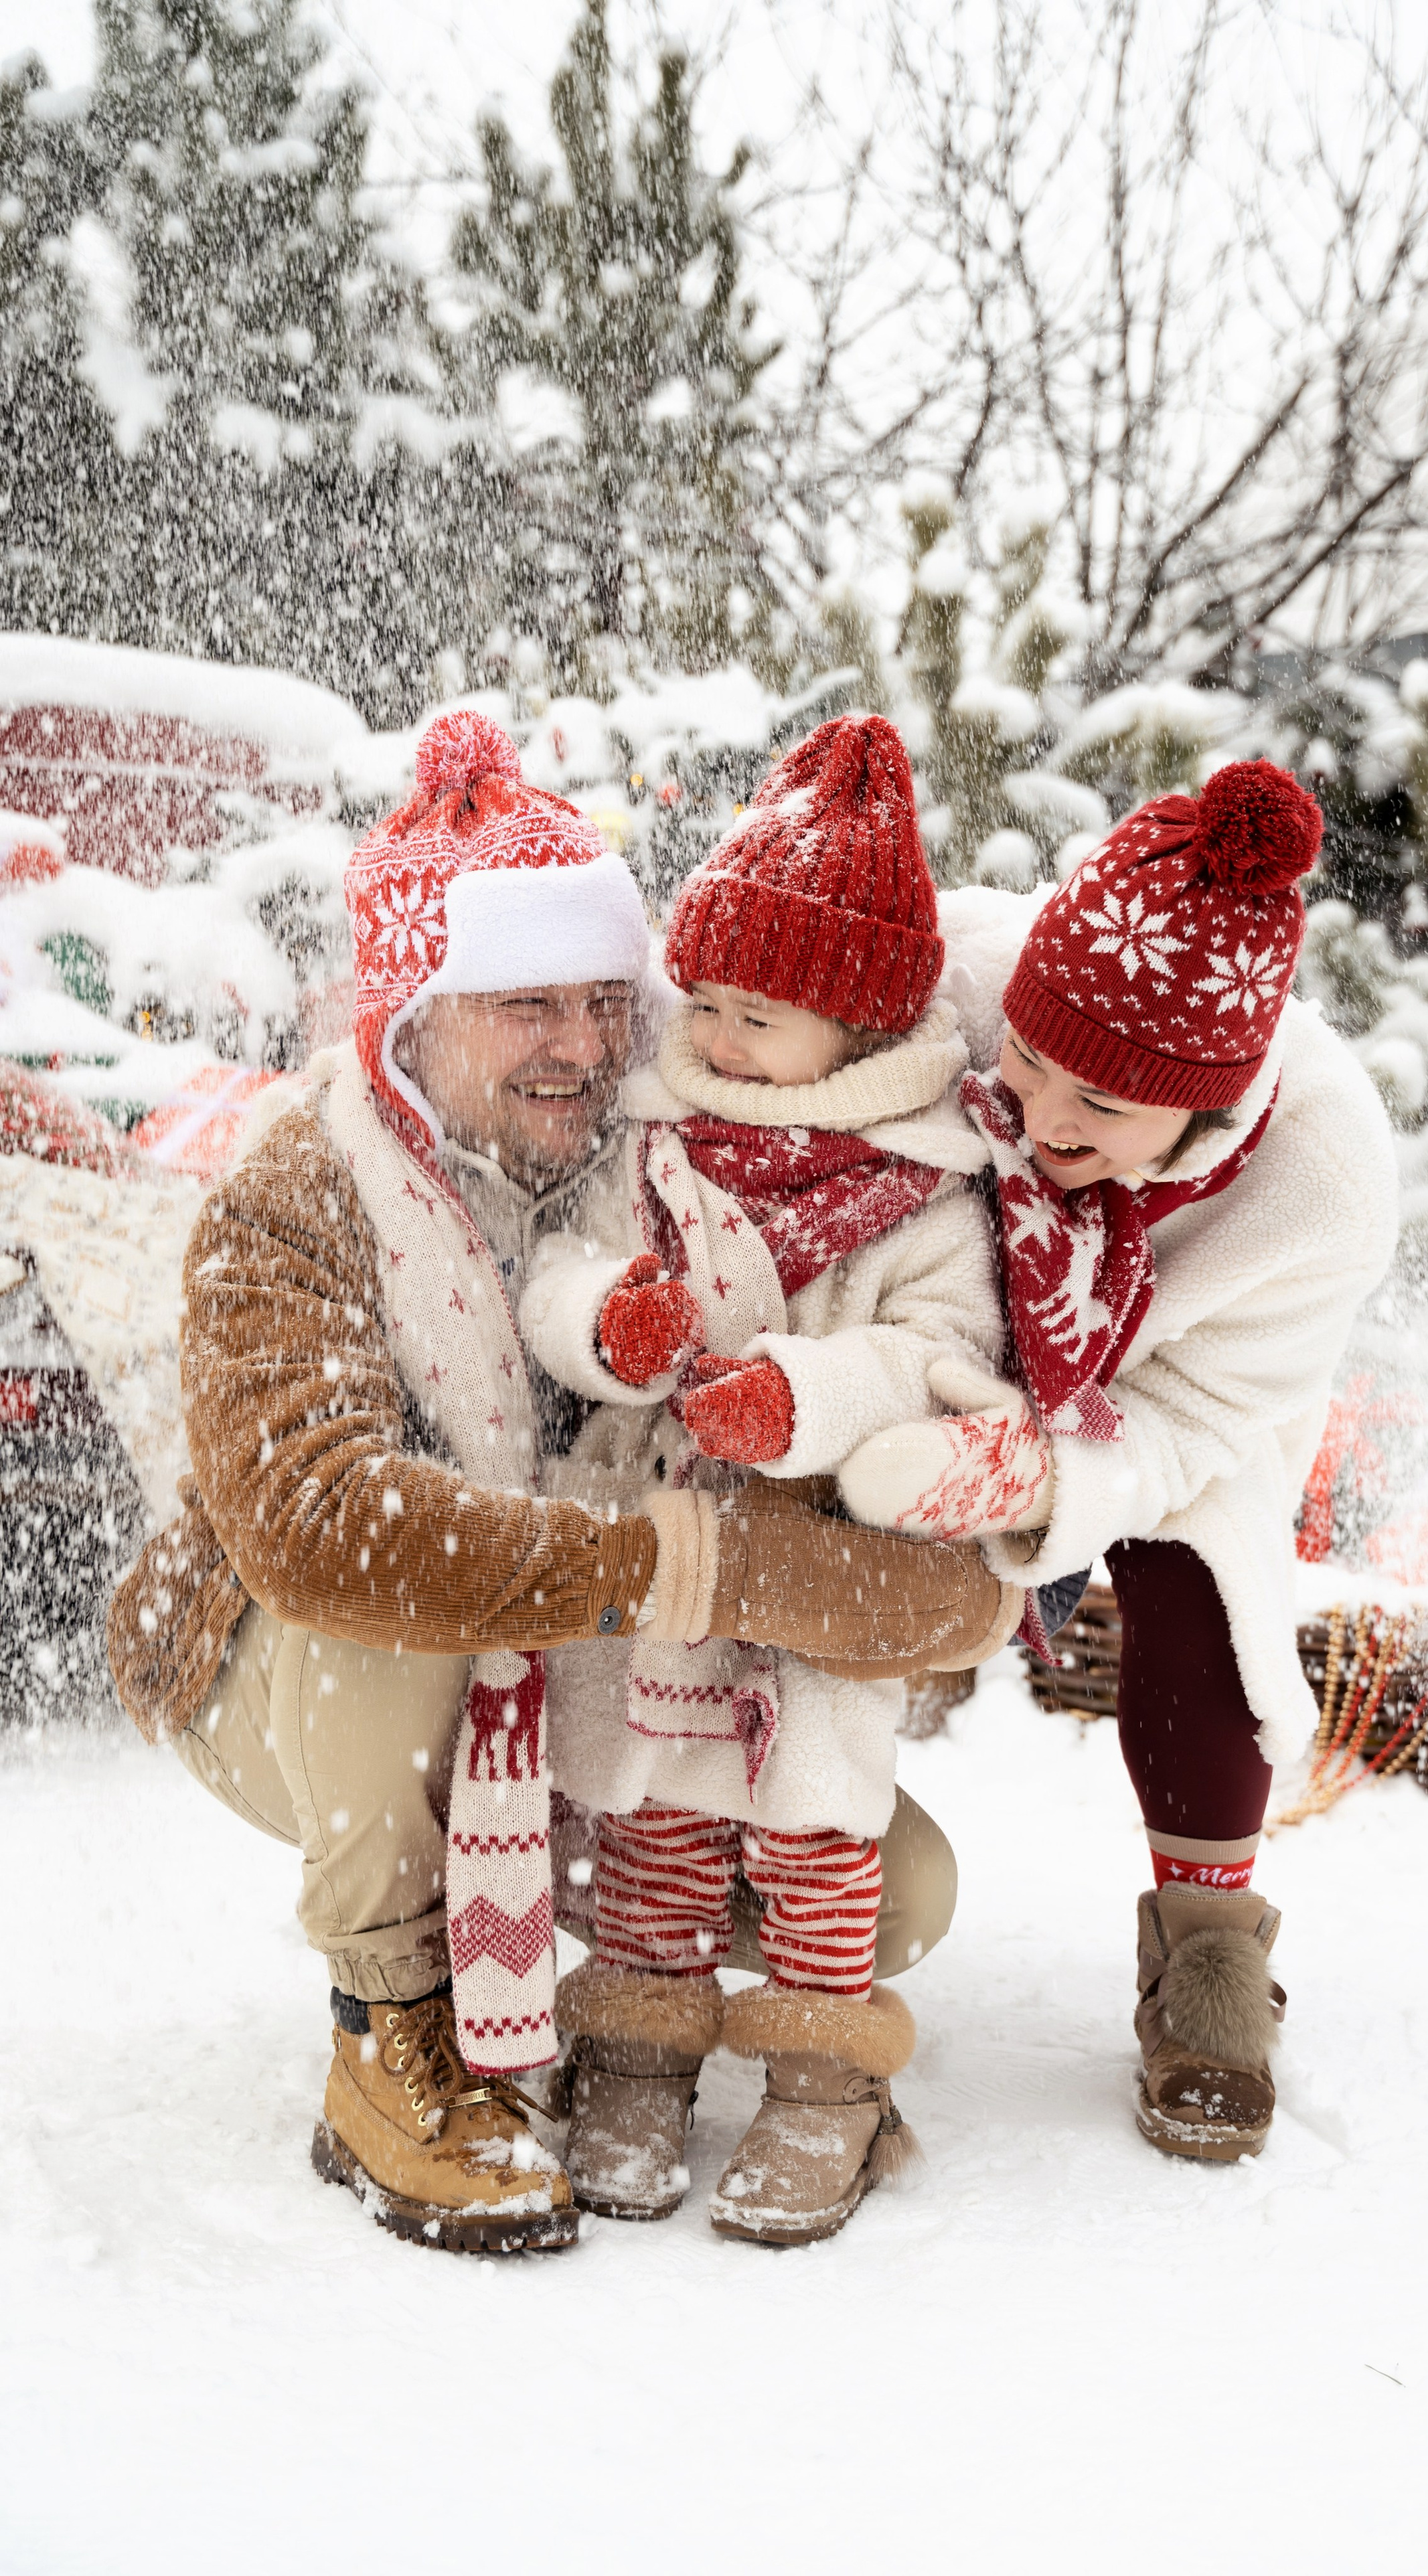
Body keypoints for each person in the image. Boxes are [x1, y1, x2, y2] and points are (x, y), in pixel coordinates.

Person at [105, 710, 1018, 2256]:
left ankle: (598, 1952)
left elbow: (953, 1596)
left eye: (606, 1000)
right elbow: (314, 1527)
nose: (584, 1046)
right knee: (380, 1592)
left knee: (899, 1891)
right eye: (527, 1001)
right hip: (287, 1685)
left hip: (594, 1689)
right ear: (411, 1015)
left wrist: (745, 1560)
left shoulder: (671, 1177)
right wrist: (652, 1557)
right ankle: (387, 2022)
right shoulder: (304, 1187)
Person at [840, 760, 1399, 2162]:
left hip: (1166, 1409)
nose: (1040, 1118)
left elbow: (1206, 1426)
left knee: (1200, 1591)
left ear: (1206, 1115)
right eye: (1026, 1065)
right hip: (941, 1323)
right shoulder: (966, 966)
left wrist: (1040, 1481)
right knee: (826, 1554)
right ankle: (783, 1872)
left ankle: (1206, 1955)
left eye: (1102, 1105)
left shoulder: (1319, 1182)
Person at [520, 714, 1002, 2246]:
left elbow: (940, 1354)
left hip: (814, 1558)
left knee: (814, 1820)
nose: (720, 1039)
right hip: (663, 1544)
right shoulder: (654, 1142)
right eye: (708, 1000)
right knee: (654, 1803)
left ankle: (819, 2072)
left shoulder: (917, 1188)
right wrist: (610, 1319)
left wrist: (796, 1393)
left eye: (765, 1019)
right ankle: (640, 2039)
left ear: (857, 1037)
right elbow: (557, 1263)